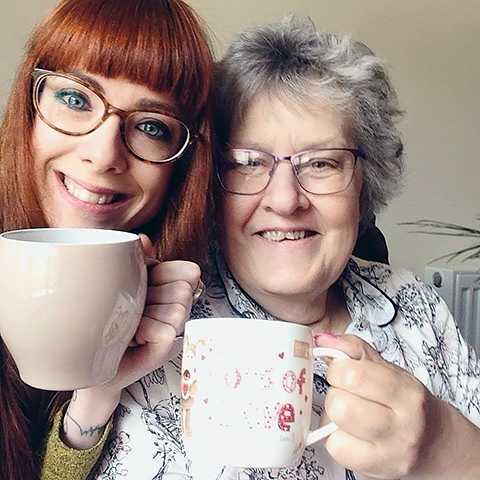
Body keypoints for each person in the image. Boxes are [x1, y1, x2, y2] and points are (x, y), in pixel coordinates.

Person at [41, 14, 480, 480]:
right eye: (247, 163)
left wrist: (447, 449)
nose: (286, 200)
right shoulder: (150, 311)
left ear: (364, 188)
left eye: (322, 164)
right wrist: (93, 397)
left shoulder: (414, 305)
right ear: (210, 183)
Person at [0, 0, 215, 479]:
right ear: (26, 109)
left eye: (152, 127)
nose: (103, 155)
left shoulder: (194, 305)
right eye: (76, 99)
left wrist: (99, 384)